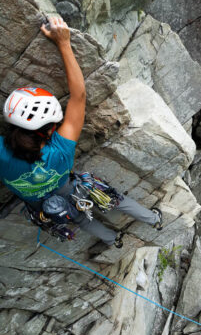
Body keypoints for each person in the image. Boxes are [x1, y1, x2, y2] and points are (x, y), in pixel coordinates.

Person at [0, 16, 162, 247]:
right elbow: (79, 96)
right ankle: (153, 219)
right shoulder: (61, 148)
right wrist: (64, 43)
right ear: (50, 130)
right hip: (70, 187)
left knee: (80, 221)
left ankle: (112, 239)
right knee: (115, 200)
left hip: (42, 205)